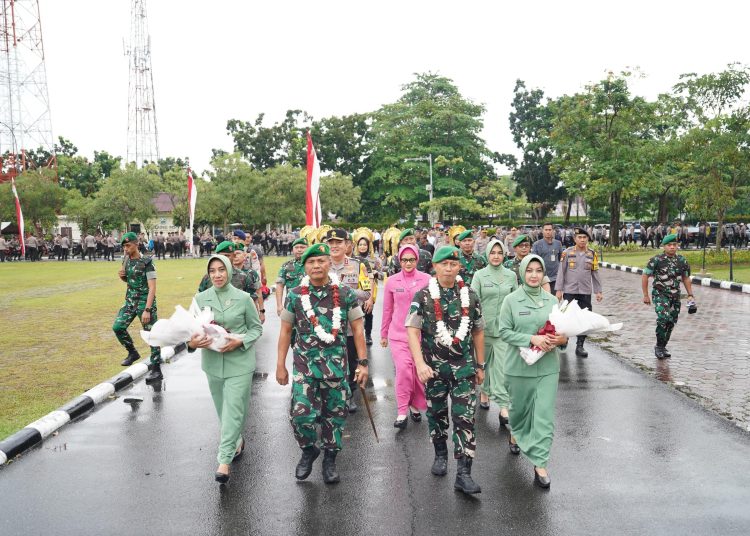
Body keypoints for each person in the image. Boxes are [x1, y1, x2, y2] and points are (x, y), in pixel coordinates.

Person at [276, 243, 369, 484]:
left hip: (336, 368)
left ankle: (330, 459)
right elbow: (286, 331)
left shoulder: (345, 293)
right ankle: (309, 449)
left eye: (321, 261)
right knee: (300, 416)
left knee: (334, 417)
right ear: (304, 266)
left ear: (329, 263)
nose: (316, 266)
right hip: (304, 368)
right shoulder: (295, 294)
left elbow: (358, 329)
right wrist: (280, 365)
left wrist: (363, 363)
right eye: (311, 262)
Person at [406, 246, 486, 495]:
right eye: (444, 264)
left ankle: (464, 473)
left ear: (459, 267)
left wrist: (480, 365)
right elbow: (412, 330)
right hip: (434, 369)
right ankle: (440, 454)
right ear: (435, 267)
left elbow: (478, 331)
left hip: (464, 368)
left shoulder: (470, 295)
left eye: (453, 264)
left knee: (465, 418)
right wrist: (420, 364)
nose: (449, 268)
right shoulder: (423, 296)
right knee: (437, 413)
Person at [188, 254, 263, 484]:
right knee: (224, 411)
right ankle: (236, 441)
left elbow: (256, 329)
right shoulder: (200, 298)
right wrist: (191, 344)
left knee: (234, 409)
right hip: (212, 364)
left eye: (221, 270)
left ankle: (224, 460)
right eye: (213, 271)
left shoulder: (243, 298)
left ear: (229, 271)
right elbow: (189, 332)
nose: (217, 275)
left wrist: (240, 341)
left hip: (239, 362)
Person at [499, 254, 568, 490]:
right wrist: (532, 338)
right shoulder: (511, 300)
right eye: (529, 270)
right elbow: (504, 332)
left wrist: (561, 340)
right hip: (518, 368)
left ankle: (540, 463)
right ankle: (515, 433)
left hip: (548, 368)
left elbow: (563, 333)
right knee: (518, 413)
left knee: (544, 417)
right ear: (522, 273)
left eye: (539, 270)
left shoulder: (552, 301)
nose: (534, 275)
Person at [380, 244, 430, 429]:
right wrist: (383, 333)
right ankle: (402, 411)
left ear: (417, 260)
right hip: (398, 334)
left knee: (417, 373)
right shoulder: (392, 281)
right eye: (404, 260)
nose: (408, 263)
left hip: (421, 335)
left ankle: (415, 405)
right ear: (399, 261)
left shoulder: (427, 279)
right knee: (403, 370)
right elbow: (387, 309)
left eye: (411, 259)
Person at [471, 239, 518, 425]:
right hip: (483, 329)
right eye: (493, 253)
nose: (496, 256)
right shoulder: (479, 275)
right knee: (484, 364)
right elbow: (474, 301)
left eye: (499, 252)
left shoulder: (511, 276)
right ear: (487, 254)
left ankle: (504, 407)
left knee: (501, 369)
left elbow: (515, 299)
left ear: (504, 254)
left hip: (504, 330)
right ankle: (483, 392)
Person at [325, 229, 371, 413]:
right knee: (330, 361)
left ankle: (350, 395)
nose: (334, 246)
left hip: (351, 325)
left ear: (347, 245)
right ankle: (333, 395)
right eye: (331, 243)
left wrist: (343, 290)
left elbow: (366, 292)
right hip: (327, 323)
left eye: (339, 242)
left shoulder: (357, 265)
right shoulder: (321, 264)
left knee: (352, 363)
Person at [114, 232, 163, 383]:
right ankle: (132, 352)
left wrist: (147, 309)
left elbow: (152, 288)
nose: (126, 249)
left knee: (151, 336)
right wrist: (122, 277)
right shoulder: (126, 260)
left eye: (128, 245)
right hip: (130, 302)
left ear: (136, 244)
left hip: (144, 302)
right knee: (118, 327)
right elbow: (130, 279)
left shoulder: (147, 262)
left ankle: (156, 369)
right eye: (124, 246)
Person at [641, 233, 695, 359]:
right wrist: (646, 295)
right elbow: (645, 276)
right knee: (664, 318)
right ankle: (659, 347)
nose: (672, 247)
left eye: (674, 245)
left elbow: (686, 278)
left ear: (677, 246)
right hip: (660, 294)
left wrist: (690, 294)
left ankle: (663, 346)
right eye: (669, 245)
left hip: (675, 296)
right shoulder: (656, 260)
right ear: (664, 246)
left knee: (671, 322)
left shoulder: (682, 261)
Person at [555, 228, 603, 358]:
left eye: (584, 237)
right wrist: (559, 290)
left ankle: (580, 345)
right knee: (564, 317)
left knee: (585, 318)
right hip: (569, 291)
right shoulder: (567, 253)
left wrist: (598, 291)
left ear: (588, 239)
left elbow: (595, 273)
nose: (582, 240)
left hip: (585, 291)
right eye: (580, 237)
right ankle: (563, 342)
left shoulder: (592, 254)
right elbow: (561, 272)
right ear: (575, 239)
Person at [354, 233, 383, 346]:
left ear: (368, 246)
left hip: (370, 290)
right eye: (360, 244)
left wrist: (376, 273)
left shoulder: (374, 260)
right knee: (356, 314)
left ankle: (368, 335)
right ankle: (357, 335)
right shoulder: (353, 259)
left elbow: (382, 275)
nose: (362, 247)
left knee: (368, 313)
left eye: (364, 244)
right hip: (356, 290)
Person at [275, 237, 308, 316]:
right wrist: (279, 305)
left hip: (309, 304)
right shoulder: (286, 266)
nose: (299, 250)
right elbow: (279, 285)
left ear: (307, 249)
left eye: (302, 247)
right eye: (296, 247)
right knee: (288, 327)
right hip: (291, 304)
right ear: (293, 249)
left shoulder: (312, 264)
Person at [532, 223, 564, 291]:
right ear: (542, 231)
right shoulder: (536, 244)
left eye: (550, 230)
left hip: (555, 278)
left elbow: (560, 259)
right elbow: (534, 262)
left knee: (555, 300)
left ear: (553, 231)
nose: (548, 232)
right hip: (542, 278)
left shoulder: (558, 244)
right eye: (546, 230)